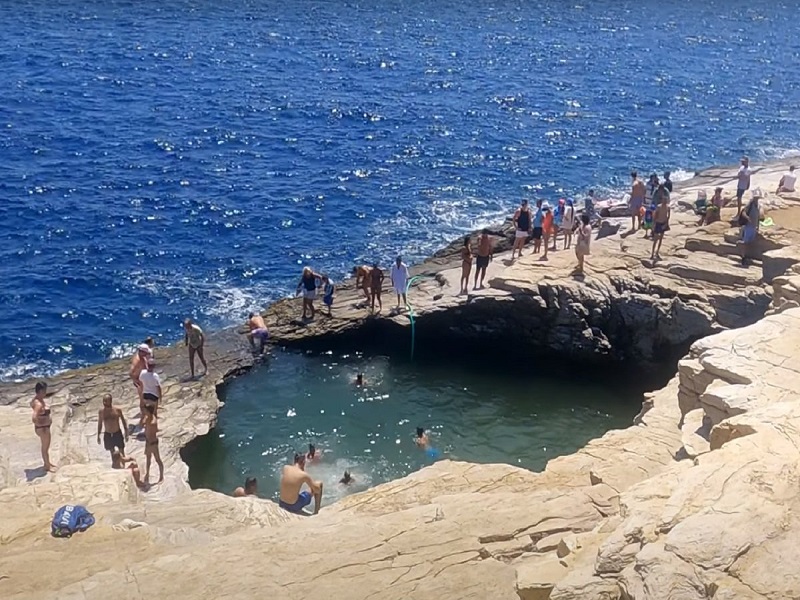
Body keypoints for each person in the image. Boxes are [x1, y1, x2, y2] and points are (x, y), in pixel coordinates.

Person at [31, 381, 55, 472]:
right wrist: (40, 423)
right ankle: (47, 466)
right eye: (44, 390)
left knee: (46, 447)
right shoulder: (39, 404)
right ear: (41, 391)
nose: (46, 392)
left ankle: (48, 463)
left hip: (44, 427)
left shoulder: (36, 399)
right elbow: (34, 417)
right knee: (45, 448)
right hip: (43, 429)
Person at [97, 394, 128, 465]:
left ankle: (123, 465)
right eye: (103, 401)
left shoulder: (117, 410)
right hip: (108, 434)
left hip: (117, 433)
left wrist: (126, 432)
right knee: (112, 452)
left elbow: (123, 421)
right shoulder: (101, 412)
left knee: (121, 451)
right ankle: (115, 464)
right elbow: (100, 423)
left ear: (110, 401)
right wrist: (98, 435)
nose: (104, 403)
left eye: (106, 401)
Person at [143, 405, 164, 485]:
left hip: (153, 443)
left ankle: (161, 476)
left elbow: (152, 433)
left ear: (149, 412)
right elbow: (143, 424)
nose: (144, 412)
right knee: (148, 459)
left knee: (157, 459)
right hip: (148, 442)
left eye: (146, 411)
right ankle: (147, 473)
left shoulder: (153, 422)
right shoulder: (147, 418)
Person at [740, 190, 762, 265]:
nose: (757, 199)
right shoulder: (750, 204)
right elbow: (743, 212)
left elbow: (758, 217)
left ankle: (747, 256)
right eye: (756, 197)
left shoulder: (758, 205)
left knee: (749, 242)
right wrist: (747, 218)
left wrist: (758, 227)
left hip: (753, 226)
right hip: (748, 226)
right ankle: (743, 257)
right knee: (745, 242)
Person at [651, 187, 671, 261]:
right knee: (656, 239)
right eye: (663, 200)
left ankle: (657, 252)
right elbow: (655, 216)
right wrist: (653, 224)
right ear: (662, 200)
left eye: (665, 200)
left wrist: (666, 223)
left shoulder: (668, 207)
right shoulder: (658, 207)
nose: (665, 201)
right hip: (658, 223)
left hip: (663, 223)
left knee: (661, 239)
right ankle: (652, 253)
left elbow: (668, 216)